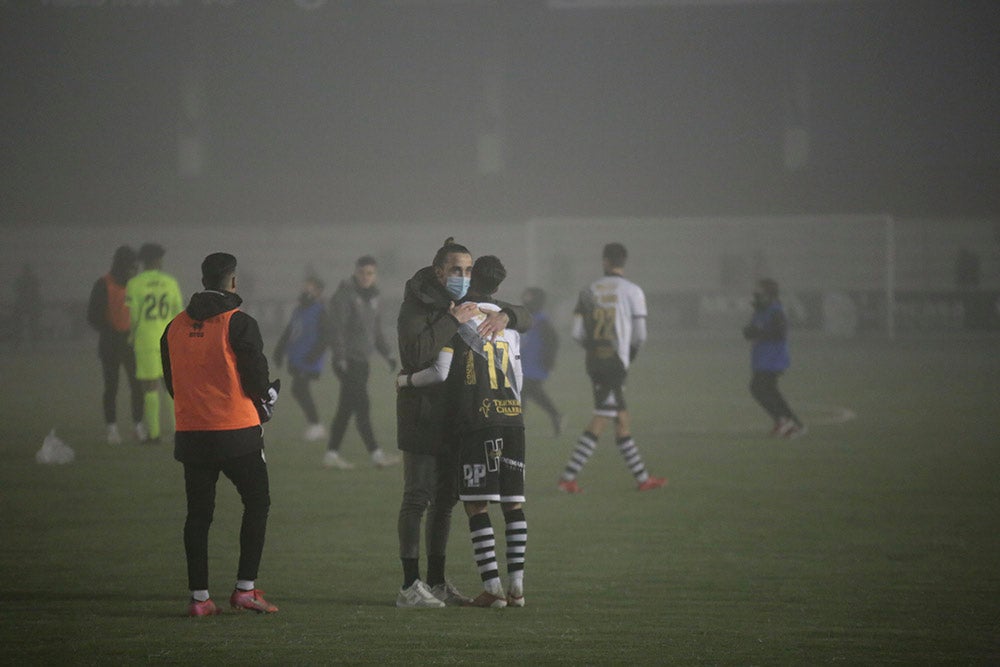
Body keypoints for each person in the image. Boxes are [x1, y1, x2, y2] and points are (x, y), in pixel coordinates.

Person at [394, 237, 532, 609]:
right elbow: (416, 354)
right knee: (417, 497)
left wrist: (507, 316)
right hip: (422, 416)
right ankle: (410, 585)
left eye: (468, 270)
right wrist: (451, 321)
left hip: (458, 418)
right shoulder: (416, 306)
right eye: (457, 270)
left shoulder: (465, 301)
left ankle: (437, 583)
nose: (463, 276)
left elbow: (525, 314)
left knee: (445, 501)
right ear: (439, 271)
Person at [160, 252, 281, 617]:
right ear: (232, 281)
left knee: (198, 515)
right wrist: (268, 396)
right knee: (257, 503)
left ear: (202, 280)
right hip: (236, 433)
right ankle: (245, 590)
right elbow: (257, 380)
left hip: (192, 434)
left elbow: (172, 383)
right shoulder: (238, 322)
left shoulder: (174, 327)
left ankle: (199, 598)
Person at [557, 242, 666, 494]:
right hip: (616, 363)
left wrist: (595, 351)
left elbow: (576, 333)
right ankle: (567, 478)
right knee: (603, 417)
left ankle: (642, 479)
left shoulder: (588, 291)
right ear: (623, 262)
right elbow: (640, 334)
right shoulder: (633, 291)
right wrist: (626, 357)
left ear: (604, 261)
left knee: (621, 419)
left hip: (595, 360)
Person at [324, 256, 399, 469]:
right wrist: (339, 357)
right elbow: (336, 329)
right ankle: (376, 455)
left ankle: (331, 454)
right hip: (348, 361)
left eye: (370, 273)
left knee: (346, 408)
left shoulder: (374, 297)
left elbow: (375, 331)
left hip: (363, 361)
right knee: (362, 406)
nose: (366, 277)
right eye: (363, 273)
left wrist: (388, 353)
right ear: (355, 272)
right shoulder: (344, 296)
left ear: (375, 275)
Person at [125, 243, 183, 444]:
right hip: (168, 339)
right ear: (157, 260)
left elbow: (132, 316)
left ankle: (155, 434)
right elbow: (178, 312)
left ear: (143, 261)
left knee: (150, 387)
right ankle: (179, 431)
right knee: (170, 385)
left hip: (146, 338)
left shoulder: (135, 284)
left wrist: (131, 336)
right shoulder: (170, 282)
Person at [86, 245, 143, 444]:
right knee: (111, 387)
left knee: (137, 385)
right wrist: (110, 328)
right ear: (122, 265)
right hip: (110, 343)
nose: (134, 270)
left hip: (131, 343)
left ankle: (138, 427)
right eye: (131, 266)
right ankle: (112, 430)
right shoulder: (103, 284)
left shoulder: (135, 285)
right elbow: (92, 315)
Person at [742, 278, 805, 438]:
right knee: (769, 390)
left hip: (772, 358)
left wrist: (759, 332)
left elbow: (780, 333)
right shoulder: (760, 310)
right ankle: (789, 422)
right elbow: (751, 330)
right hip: (762, 358)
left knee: (759, 388)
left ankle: (785, 421)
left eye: (759, 291)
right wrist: (750, 331)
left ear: (768, 294)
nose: (756, 294)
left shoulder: (775, 310)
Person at [273, 275, 328, 442]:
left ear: (317, 292)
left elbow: (326, 336)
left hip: (308, 359)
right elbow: (290, 331)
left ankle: (316, 425)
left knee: (299, 389)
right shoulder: (299, 309)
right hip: (297, 357)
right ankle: (315, 425)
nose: (305, 291)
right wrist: (279, 350)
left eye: (309, 288)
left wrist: (314, 354)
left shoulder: (320, 310)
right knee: (298, 390)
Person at [519, 287, 563, 436]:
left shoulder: (542, 321)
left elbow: (553, 341)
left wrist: (548, 361)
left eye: (530, 298)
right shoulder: (526, 318)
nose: (526, 301)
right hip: (524, 364)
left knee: (523, 392)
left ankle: (516, 426)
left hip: (535, 365)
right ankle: (556, 415)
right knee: (532, 393)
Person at [12, 263, 42, 349]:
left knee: (22, 325)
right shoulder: (33, 280)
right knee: (31, 325)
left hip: (24, 304)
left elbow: (16, 290)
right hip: (28, 304)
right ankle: (32, 344)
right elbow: (37, 292)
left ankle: (19, 343)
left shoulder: (21, 280)